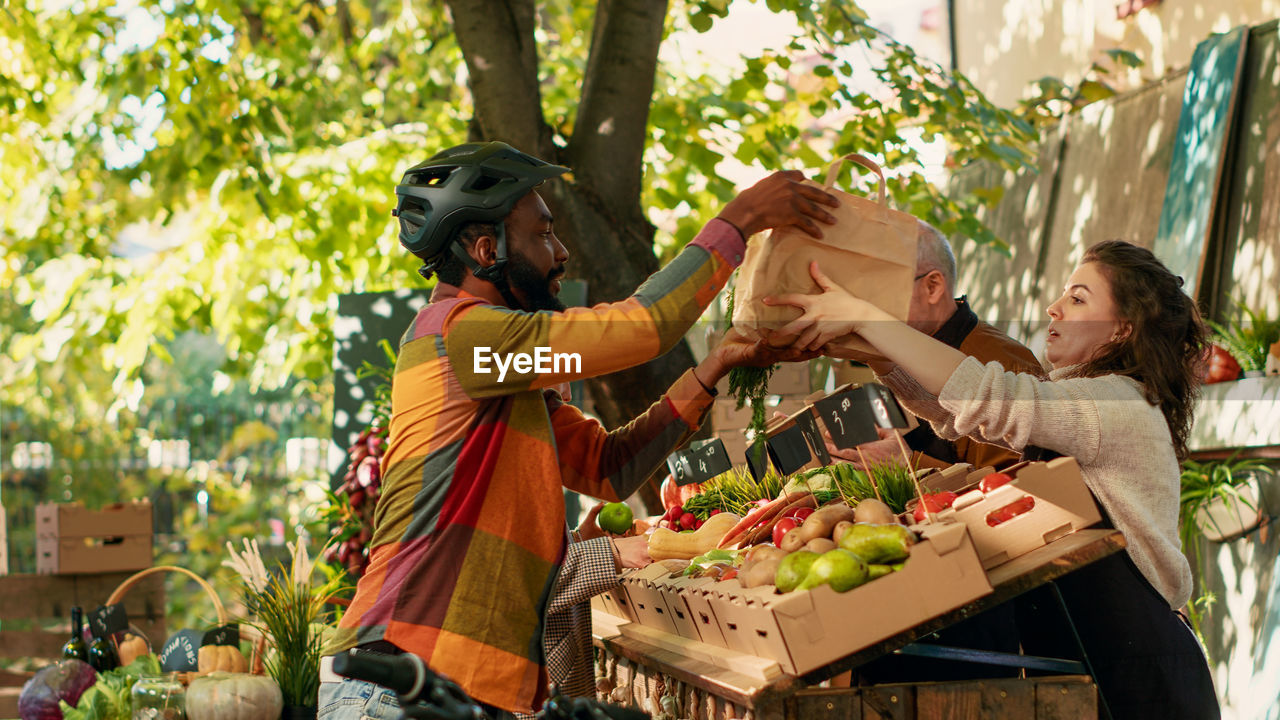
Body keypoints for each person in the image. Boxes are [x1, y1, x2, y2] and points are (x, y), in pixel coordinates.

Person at [319, 141, 837, 719]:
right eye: (542, 235)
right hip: (398, 686)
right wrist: (739, 221)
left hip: (447, 692)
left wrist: (712, 369)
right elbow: (644, 328)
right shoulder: (464, 338)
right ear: (487, 249)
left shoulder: (504, 372)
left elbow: (606, 468)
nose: (561, 252)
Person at [769, 240, 1219, 718]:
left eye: (1078, 298)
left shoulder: (1118, 404)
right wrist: (866, 346)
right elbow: (960, 411)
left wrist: (866, 320)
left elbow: (995, 399)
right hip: (1096, 659)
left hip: (1144, 674)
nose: (1055, 307)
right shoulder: (1087, 397)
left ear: (1122, 329)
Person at [825, 220, 1043, 472]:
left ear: (932, 287)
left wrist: (907, 465)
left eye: (881, 288)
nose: (867, 303)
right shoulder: (885, 354)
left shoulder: (1002, 365)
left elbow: (1023, 487)